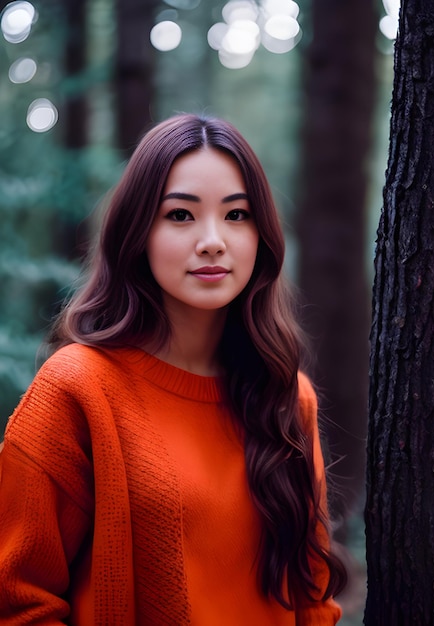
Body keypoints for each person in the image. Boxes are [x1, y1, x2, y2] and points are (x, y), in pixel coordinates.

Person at [0, 113, 347, 624]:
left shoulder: (287, 397)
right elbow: (19, 601)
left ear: (262, 236)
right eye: (181, 216)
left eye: (237, 215)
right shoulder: (76, 388)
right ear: (138, 232)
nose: (212, 240)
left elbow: (313, 599)